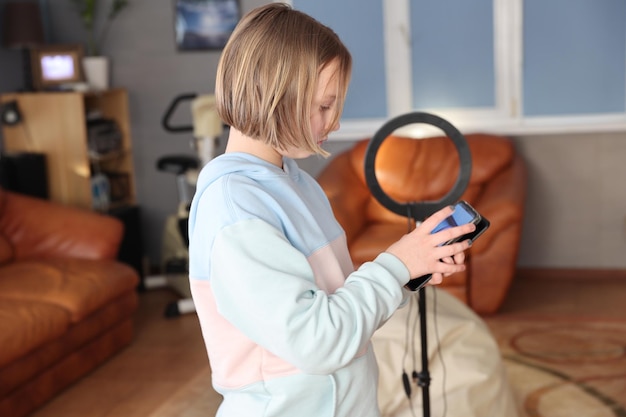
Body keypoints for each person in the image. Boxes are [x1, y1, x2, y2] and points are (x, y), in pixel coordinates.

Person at [187, 3, 475, 416]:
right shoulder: (234, 208)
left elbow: (333, 303)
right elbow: (317, 342)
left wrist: (409, 270)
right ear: (273, 93)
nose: (334, 123)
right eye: (324, 106)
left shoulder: (298, 183)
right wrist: (394, 267)